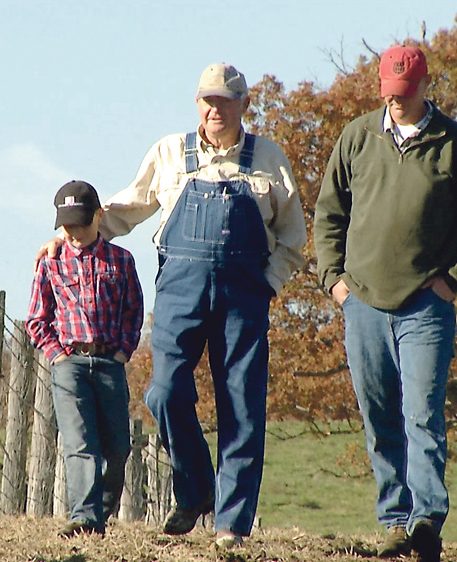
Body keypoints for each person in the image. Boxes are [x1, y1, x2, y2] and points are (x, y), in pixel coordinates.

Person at [37, 63, 307, 549]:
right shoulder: (169, 153)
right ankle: (197, 485)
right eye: (207, 100)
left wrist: (268, 283)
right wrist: (69, 236)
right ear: (197, 103)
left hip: (245, 294)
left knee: (242, 407)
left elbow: (292, 235)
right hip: (180, 291)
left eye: (225, 101)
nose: (214, 109)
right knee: (163, 392)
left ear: (244, 104)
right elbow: (121, 211)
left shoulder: (268, 158)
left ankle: (231, 525)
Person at [313, 45, 457, 562]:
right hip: (364, 303)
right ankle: (394, 519)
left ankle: (426, 523)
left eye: (405, 93)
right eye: (388, 94)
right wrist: (335, 282)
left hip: (425, 306)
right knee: (379, 417)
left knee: (422, 414)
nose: (396, 102)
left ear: (424, 87)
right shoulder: (357, 137)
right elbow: (329, 213)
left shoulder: (455, 145)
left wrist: (455, 279)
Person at [26, 180, 144, 538]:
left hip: (110, 363)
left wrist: (123, 351)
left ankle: (101, 513)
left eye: (82, 224)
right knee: (80, 442)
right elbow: (37, 318)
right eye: (67, 227)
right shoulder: (51, 262)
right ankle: (84, 518)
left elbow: (133, 311)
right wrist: (58, 355)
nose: (75, 234)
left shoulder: (121, 261)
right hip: (70, 364)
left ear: (99, 216)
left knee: (118, 447)